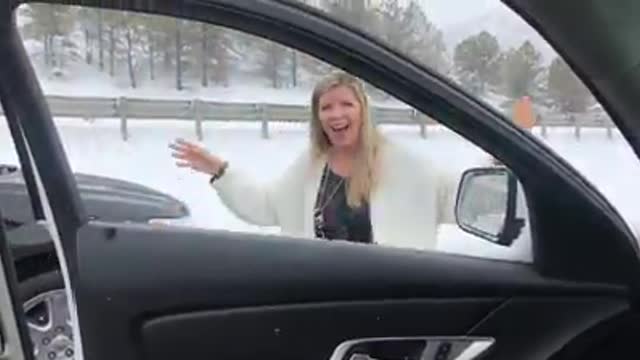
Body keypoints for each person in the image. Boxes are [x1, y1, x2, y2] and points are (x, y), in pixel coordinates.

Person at [169, 72, 458, 250]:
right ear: (318, 117)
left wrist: (499, 156)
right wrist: (220, 171)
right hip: (325, 298)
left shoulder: (402, 163)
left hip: (390, 302)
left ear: (363, 111)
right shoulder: (310, 167)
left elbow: (460, 197)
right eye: (326, 107)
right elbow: (266, 207)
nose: (336, 114)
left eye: (346, 104)